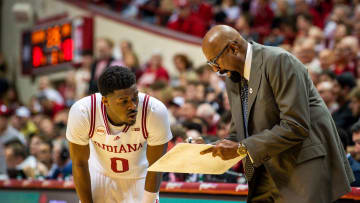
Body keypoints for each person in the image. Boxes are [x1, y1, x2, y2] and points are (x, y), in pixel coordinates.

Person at [200, 25, 354, 202]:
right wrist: (207, 146)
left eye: (215, 61)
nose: (215, 69)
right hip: (266, 171)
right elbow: (239, 134)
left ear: (233, 48)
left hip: (301, 169)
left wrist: (243, 147)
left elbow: (295, 125)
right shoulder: (232, 77)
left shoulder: (278, 60)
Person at [66, 66, 172, 203]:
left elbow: (156, 165)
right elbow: (79, 163)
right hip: (99, 176)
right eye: (124, 101)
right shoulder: (83, 112)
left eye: (135, 97)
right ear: (105, 101)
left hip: (140, 178)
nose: (133, 106)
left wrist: (149, 200)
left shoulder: (154, 111)